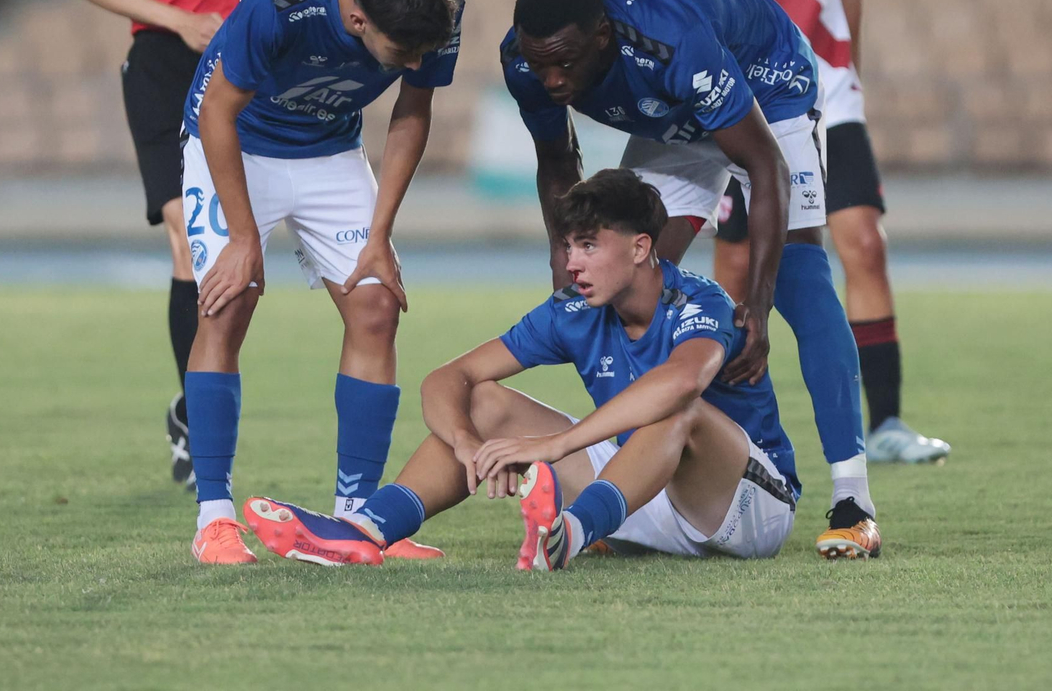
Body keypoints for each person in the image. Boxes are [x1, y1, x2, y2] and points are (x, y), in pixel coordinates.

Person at [496, 0, 881, 558]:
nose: (549, 79)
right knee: (625, 283)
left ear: (603, 38)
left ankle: (853, 501)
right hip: (674, 110)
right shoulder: (529, 56)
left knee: (799, 275)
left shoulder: (670, 39)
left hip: (765, 87)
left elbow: (764, 164)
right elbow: (556, 159)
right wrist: (565, 256)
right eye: (539, 63)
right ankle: (641, 482)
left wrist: (754, 302)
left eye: (564, 65)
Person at [242, 169, 803, 567]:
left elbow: (681, 383)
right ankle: (364, 531)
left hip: (743, 509)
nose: (571, 263)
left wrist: (553, 448)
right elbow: (448, 379)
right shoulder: (574, 310)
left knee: (678, 407)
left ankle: (573, 531)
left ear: (639, 248)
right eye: (567, 247)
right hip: (636, 495)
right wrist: (467, 443)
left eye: (588, 246)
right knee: (483, 401)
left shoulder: (702, 303)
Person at [663, 0, 948, 465]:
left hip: (827, 96)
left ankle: (884, 423)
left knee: (861, 243)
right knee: (733, 270)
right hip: (739, 105)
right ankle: (735, 425)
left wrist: (846, 69)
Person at [68, 0, 303, 491]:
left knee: (237, 259)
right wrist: (180, 20)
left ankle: (187, 406)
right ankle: (200, 423)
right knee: (187, 236)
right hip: (166, 64)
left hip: (245, 68)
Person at [180, 0, 463, 564]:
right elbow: (219, 112)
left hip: (329, 150)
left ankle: (356, 519)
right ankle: (214, 520)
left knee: (377, 306)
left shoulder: (440, 3)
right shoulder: (281, 2)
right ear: (358, 20)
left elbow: (414, 109)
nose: (416, 60)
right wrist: (246, 240)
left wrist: (381, 236)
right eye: (403, 52)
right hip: (237, 139)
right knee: (228, 304)